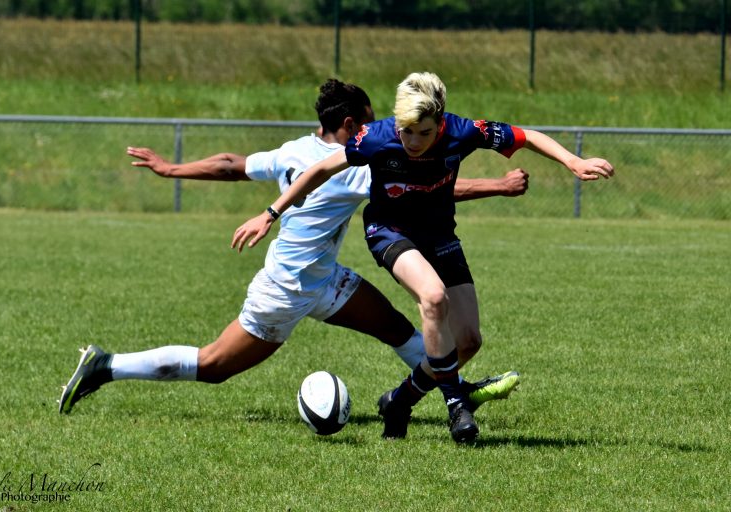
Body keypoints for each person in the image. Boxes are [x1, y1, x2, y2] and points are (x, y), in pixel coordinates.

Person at [58, 78, 527, 421]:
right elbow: (429, 187)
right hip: (285, 289)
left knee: (399, 327)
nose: (388, 131)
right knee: (214, 364)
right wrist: (500, 186)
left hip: (326, 279)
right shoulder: (355, 166)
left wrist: (171, 169)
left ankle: (455, 395)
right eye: (371, 122)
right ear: (350, 124)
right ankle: (106, 366)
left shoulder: (291, 150)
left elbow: (229, 164)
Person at [232, 72, 615, 443]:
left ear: (441, 121)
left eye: (424, 132)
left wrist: (573, 162)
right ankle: (456, 406)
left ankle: (399, 402)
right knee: (433, 298)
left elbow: (526, 135)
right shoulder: (376, 137)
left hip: (439, 236)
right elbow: (319, 169)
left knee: (467, 341)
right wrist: (270, 214)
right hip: (388, 232)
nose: (413, 141)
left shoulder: (464, 131)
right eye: (406, 131)